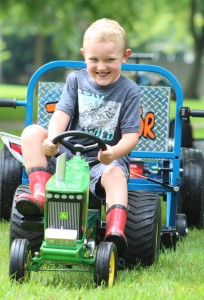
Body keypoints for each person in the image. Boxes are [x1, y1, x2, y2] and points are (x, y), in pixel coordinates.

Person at [16, 18, 140, 258]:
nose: (101, 66)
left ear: (124, 57)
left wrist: (114, 152)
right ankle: (40, 195)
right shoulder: (75, 80)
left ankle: (115, 229)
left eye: (110, 60)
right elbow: (61, 114)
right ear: (84, 55)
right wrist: (53, 139)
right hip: (69, 154)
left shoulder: (130, 90)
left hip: (103, 161)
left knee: (116, 175)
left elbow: (132, 135)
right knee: (31, 133)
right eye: (94, 59)